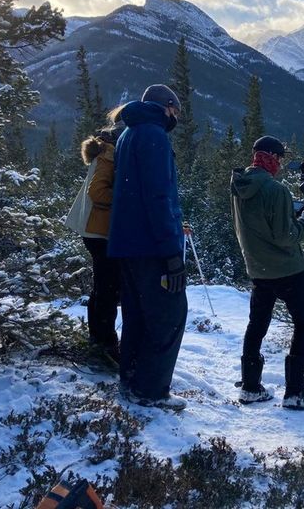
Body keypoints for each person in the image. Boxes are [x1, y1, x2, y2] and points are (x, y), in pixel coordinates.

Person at [107, 84, 188, 411]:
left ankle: (132, 380)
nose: (176, 118)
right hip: (151, 246)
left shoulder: (129, 133)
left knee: (137, 314)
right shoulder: (154, 136)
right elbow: (158, 197)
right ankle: (152, 389)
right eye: (176, 111)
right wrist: (171, 252)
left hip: (128, 244)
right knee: (169, 313)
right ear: (166, 107)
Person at [231, 135, 304, 410]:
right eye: (279, 159)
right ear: (274, 158)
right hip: (287, 269)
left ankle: (250, 387)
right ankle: (295, 393)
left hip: (258, 268)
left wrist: (288, 215)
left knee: (257, 324)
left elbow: (262, 223)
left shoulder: (239, 185)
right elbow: (285, 236)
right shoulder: (275, 190)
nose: (280, 164)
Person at [64, 107, 126, 363]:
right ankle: (104, 343)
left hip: (94, 229)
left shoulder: (106, 151)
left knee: (104, 286)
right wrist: (127, 200)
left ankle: (99, 339)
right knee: (107, 287)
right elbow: (97, 193)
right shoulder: (109, 155)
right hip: (98, 231)